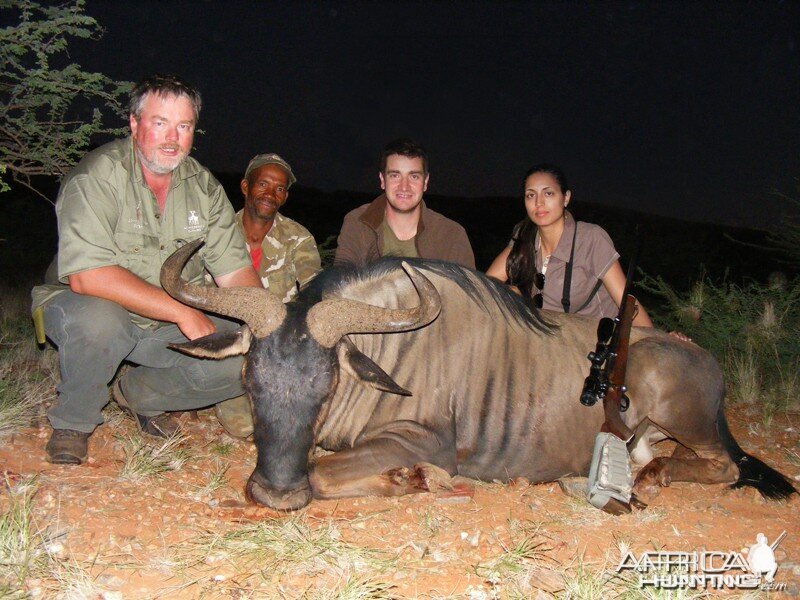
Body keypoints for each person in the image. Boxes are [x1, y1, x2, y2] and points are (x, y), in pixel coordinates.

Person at [30, 74, 262, 465]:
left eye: (184, 126)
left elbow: (235, 274)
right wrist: (182, 311)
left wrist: (269, 323)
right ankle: (74, 421)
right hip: (88, 306)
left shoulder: (204, 187)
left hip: (163, 326)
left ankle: (137, 394)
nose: (173, 138)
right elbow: (89, 276)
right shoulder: (96, 176)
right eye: (160, 123)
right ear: (134, 124)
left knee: (250, 358)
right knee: (101, 321)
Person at [213, 153, 322, 438]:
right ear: (246, 186)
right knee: (243, 424)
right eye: (263, 184)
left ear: (285, 197)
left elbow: (314, 290)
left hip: (278, 344)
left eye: (280, 188)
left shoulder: (298, 237)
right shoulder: (217, 231)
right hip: (228, 335)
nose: (270, 194)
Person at [487, 163, 654, 326]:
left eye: (549, 194)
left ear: (565, 198)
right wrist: (517, 294)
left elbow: (629, 305)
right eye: (530, 195)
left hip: (595, 343)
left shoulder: (591, 238)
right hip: (550, 338)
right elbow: (488, 284)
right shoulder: (524, 235)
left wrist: (659, 341)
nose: (538, 202)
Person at [334, 138, 475, 268]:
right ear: (382, 180)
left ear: (425, 182)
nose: (404, 187)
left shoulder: (452, 235)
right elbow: (341, 284)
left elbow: (466, 294)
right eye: (395, 175)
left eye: (414, 176)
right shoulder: (357, 222)